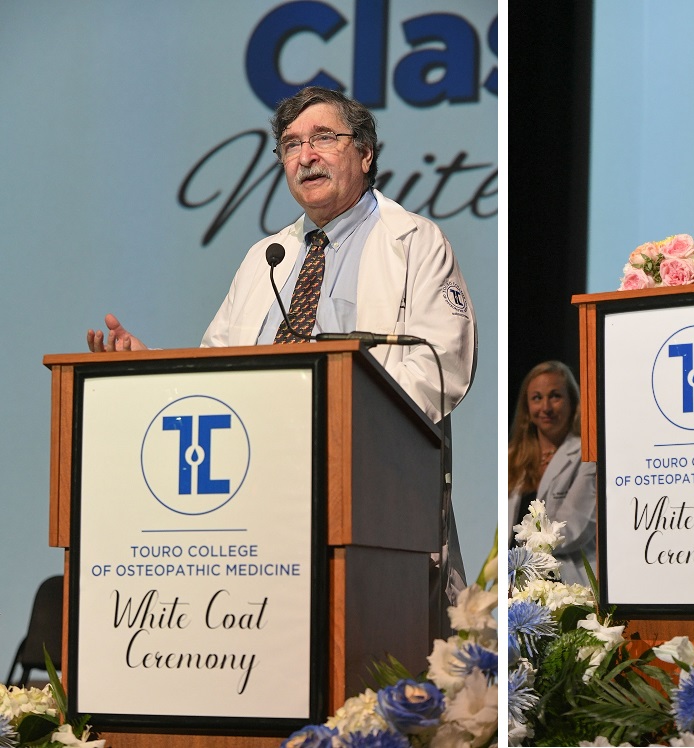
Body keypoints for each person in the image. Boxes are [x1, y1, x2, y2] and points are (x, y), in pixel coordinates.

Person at [86, 86, 477, 617]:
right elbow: (217, 367)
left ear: (364, 153)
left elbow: (442, 364)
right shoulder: (264, 258)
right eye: (291, 145)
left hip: (368, 492)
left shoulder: (414, 242)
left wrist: (339, 422)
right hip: (259, 501)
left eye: (322, 138)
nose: (305, 155)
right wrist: (151, 369)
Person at [508, 361, 597, 587]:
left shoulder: (587, 455)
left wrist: (520, 556)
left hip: (565, 580)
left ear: (573, 403)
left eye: (555, 396)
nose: (546, 407)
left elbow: (574, 526)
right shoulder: (511, 458)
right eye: (537, 398)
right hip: (513, 583)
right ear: (527, 408)